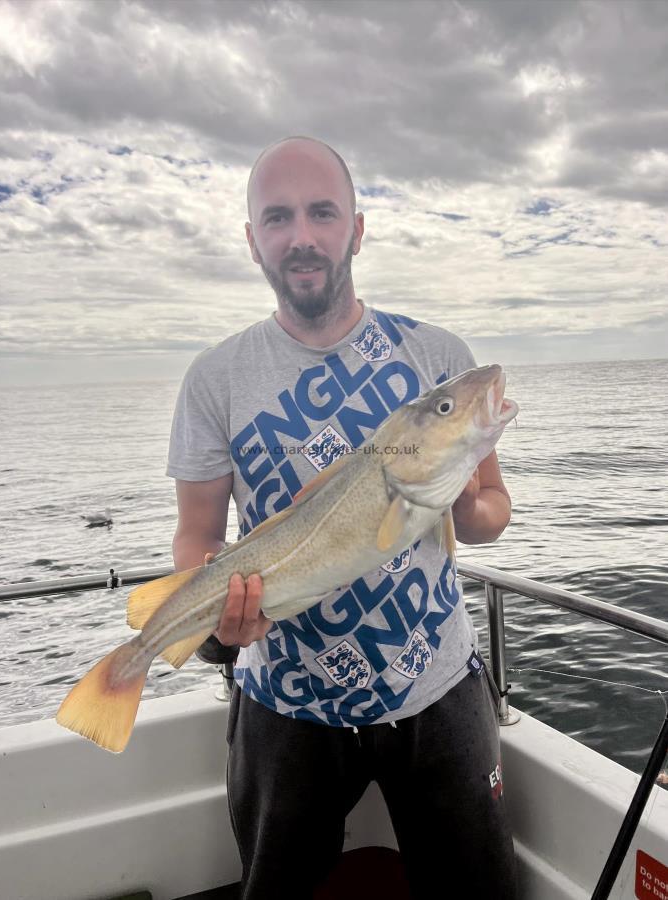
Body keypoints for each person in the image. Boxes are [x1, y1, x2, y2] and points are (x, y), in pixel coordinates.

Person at [167, 136, 517, 899]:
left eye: (322, 213)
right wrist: (214, 628)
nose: (302, 235)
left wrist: (457, 494)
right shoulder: (214, 379)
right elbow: (197, 537)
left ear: (356, 229)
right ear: (252, 241)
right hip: (280, 699)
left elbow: (492, 513)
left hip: (435, 683)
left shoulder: (436, 357)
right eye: (278, 217)